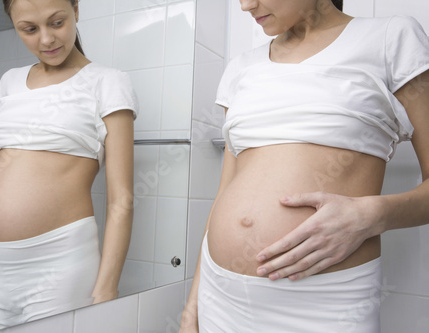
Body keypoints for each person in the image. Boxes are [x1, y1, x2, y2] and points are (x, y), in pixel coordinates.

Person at [180, 0, 429, 331]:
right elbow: (224, 191)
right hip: (221, 296)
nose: (245, 5)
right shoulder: (242, 67)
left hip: (325, 301)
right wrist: (192, 306)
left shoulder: (390, 38)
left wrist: (370, 217)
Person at [0, 0, 137, 331]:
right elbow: (12, 164)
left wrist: (106, 290)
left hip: (59, 263)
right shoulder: (9, 80)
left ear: (76, 9)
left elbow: (122, 200)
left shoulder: (107, 81)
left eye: (57, 22)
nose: (46, 39)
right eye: (30, 29)